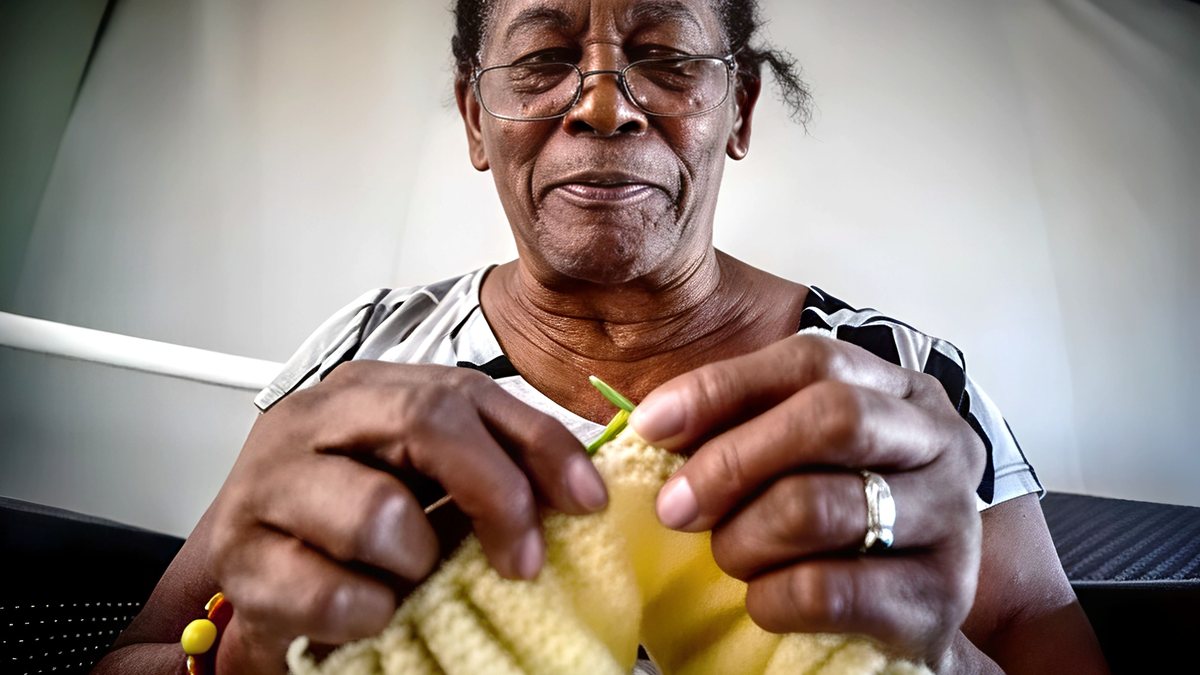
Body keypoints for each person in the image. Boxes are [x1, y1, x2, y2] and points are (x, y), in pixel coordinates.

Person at [96, 1, 1109, 673]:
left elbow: (1043, 649)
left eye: (664, 56)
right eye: (542, 59)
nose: (602, 105)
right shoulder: (366, 354)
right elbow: (138, 656)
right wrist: (242, 656)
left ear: (739, 107)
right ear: (473, 116)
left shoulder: (894, 384)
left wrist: (940, 660)